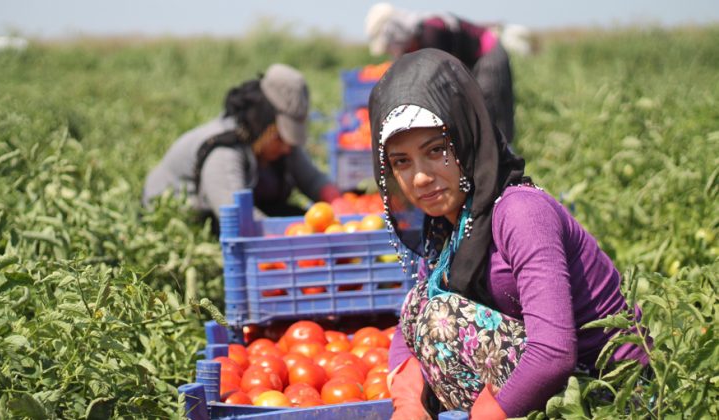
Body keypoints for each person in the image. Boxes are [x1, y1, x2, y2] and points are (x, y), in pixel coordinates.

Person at [369, 49, 650, 419]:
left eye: (436, 151)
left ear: (467, 138)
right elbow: (409, 328)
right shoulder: (448, 225)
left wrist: (490, 413)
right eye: (401, 162)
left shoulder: (520, 212)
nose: (420, 177)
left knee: (440, 318)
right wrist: (406, 398)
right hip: (549, 385)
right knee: (420, 303)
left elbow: (553, 353)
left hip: (609, 395)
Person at [142, 64, 340, 234]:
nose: (288, 147)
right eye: (281, 137)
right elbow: (239, 218)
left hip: (232, 212)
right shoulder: (224, 151)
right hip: (186, 220)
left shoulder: (279, 144)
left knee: (298, 217)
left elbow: (313, 180)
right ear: (264, 125)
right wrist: (290, 239)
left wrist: (341, 206)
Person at [365, 3, 516, 144]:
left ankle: (503, 159)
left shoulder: (431, 31)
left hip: (487, 54)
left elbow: (441, 78)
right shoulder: (411, 44)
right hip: (468, 62)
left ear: (398, 35)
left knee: (489, 111)